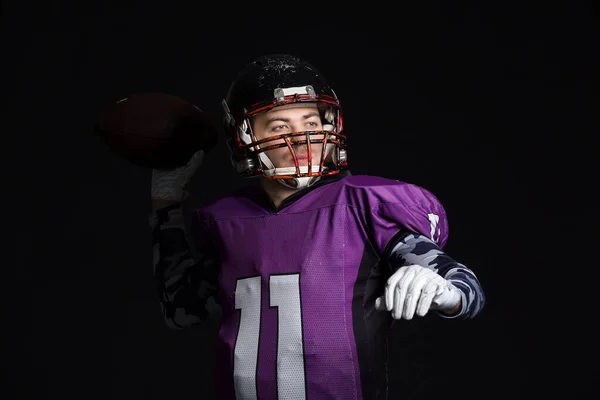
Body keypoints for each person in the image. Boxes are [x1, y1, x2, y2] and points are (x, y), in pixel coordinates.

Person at [149, 54, 485, 400]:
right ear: (244, 135)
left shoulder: (365, 206)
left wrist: (445, 290)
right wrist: (166, 206)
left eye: (311, 123)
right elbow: (181, 311)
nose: (301, 138)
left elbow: (467, 289)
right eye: (280, 126)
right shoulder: (227, 221)